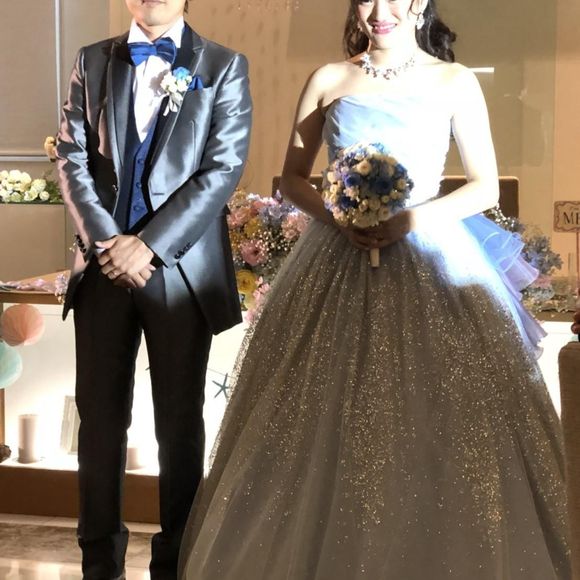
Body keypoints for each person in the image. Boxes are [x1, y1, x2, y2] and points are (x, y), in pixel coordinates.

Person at [178, 0, 570, 578]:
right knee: (316, 415)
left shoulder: (455, 80)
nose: (379, 11)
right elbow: (293, 178)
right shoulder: (329, 79)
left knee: (444, 416)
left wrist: (409, 221)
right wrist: (339, 218)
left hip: (431, 253)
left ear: (419, 3)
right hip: (337, 256)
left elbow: (485, 186)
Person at [56, 0, 252, 577]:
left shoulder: (222, 64)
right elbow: (71, 157)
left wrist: (149, 245)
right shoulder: (93, 60)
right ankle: (99, 562)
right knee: (99, 424)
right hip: (103, 269)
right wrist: (107, 241)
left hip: (178, 270)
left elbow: (222, 168)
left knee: (179, 425)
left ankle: (177, 562)